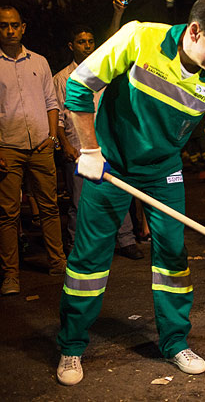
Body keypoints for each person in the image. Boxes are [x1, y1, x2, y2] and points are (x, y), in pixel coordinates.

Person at [55, 0, 205, 386]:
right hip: (110, 166)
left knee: (174, 258)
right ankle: (72, 346)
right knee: (88, 262)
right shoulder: (138, 38)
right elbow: (77, 88)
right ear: (195, 31)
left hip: (163, 172)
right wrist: (89, 150)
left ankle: (175, 342)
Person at [54, 23, 144, 260]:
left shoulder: (105, 73)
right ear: (71, 46)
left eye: (91, 41)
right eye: (82, 42)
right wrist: (65, 144)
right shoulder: (62, 78)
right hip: (78, 147)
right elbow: (59, 116)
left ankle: (126, 240)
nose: (87, 46)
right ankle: (76, 245)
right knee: (79, 201)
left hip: (109, 145)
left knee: (118, 193)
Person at [0, 6, 66, 296]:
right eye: (4, 26)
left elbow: (52, 102)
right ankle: (10, 274)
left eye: (14, 25)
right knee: (8, 213)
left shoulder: (39, 61)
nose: (10, 30)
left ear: (23, 27)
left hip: (41, 145)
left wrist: (52, 137)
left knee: (49, 207)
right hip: (8, 147)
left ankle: (58, 261)